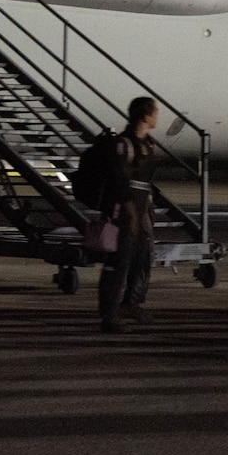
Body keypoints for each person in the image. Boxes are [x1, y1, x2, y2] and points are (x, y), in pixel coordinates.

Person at [97, 97, 160, 333]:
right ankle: (109, 314)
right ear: (145, 116)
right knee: (118, 262)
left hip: (142, 207)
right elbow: (118, 179)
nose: (157, 118)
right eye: (155, 113)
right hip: (124, 209)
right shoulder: (123, 144)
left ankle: (132, 302)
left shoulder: (149, 144)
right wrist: (130, 211)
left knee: (142, 258)